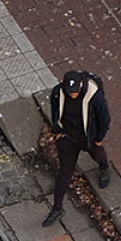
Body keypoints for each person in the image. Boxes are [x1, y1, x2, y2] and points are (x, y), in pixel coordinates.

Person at [42, 71, 111, 227]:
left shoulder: (94, 96)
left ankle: (104, 168)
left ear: (81, 85)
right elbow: (55, 112)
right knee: (64, 174)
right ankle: (57, 208)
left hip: (88, 138)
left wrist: (98, 140)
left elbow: (104, 118)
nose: (72, 95)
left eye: (75, 92)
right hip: (68, 139)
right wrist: (58, 132)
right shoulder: (57, 93)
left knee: (98, 155)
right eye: (69, 92)